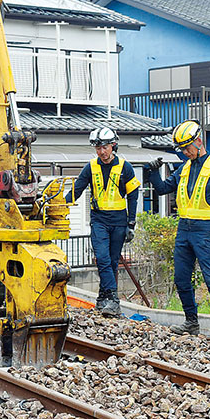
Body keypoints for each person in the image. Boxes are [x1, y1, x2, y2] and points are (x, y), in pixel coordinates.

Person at [145, 119, 210, 341]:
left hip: (206, 231)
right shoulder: (183, 169)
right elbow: (163, 189)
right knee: (181, 279)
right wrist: (152, 172)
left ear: (199, 142)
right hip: (184, 230)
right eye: (182, 149)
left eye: (187, 148)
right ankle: (191, 322)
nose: (185, 152)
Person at [65, 127, 140, 317]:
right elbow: (76, 190)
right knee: (103, 258)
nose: (101, 152)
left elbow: (133, 196)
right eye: (98, 148)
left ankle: (102, 299)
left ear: (113, 146)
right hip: (99, 220)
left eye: (104, 147)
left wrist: (131, 223)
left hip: (119, 221)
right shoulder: (90, 167)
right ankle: (114, 301)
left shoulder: (125, 167)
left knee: (112, 262)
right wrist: (59, 204)